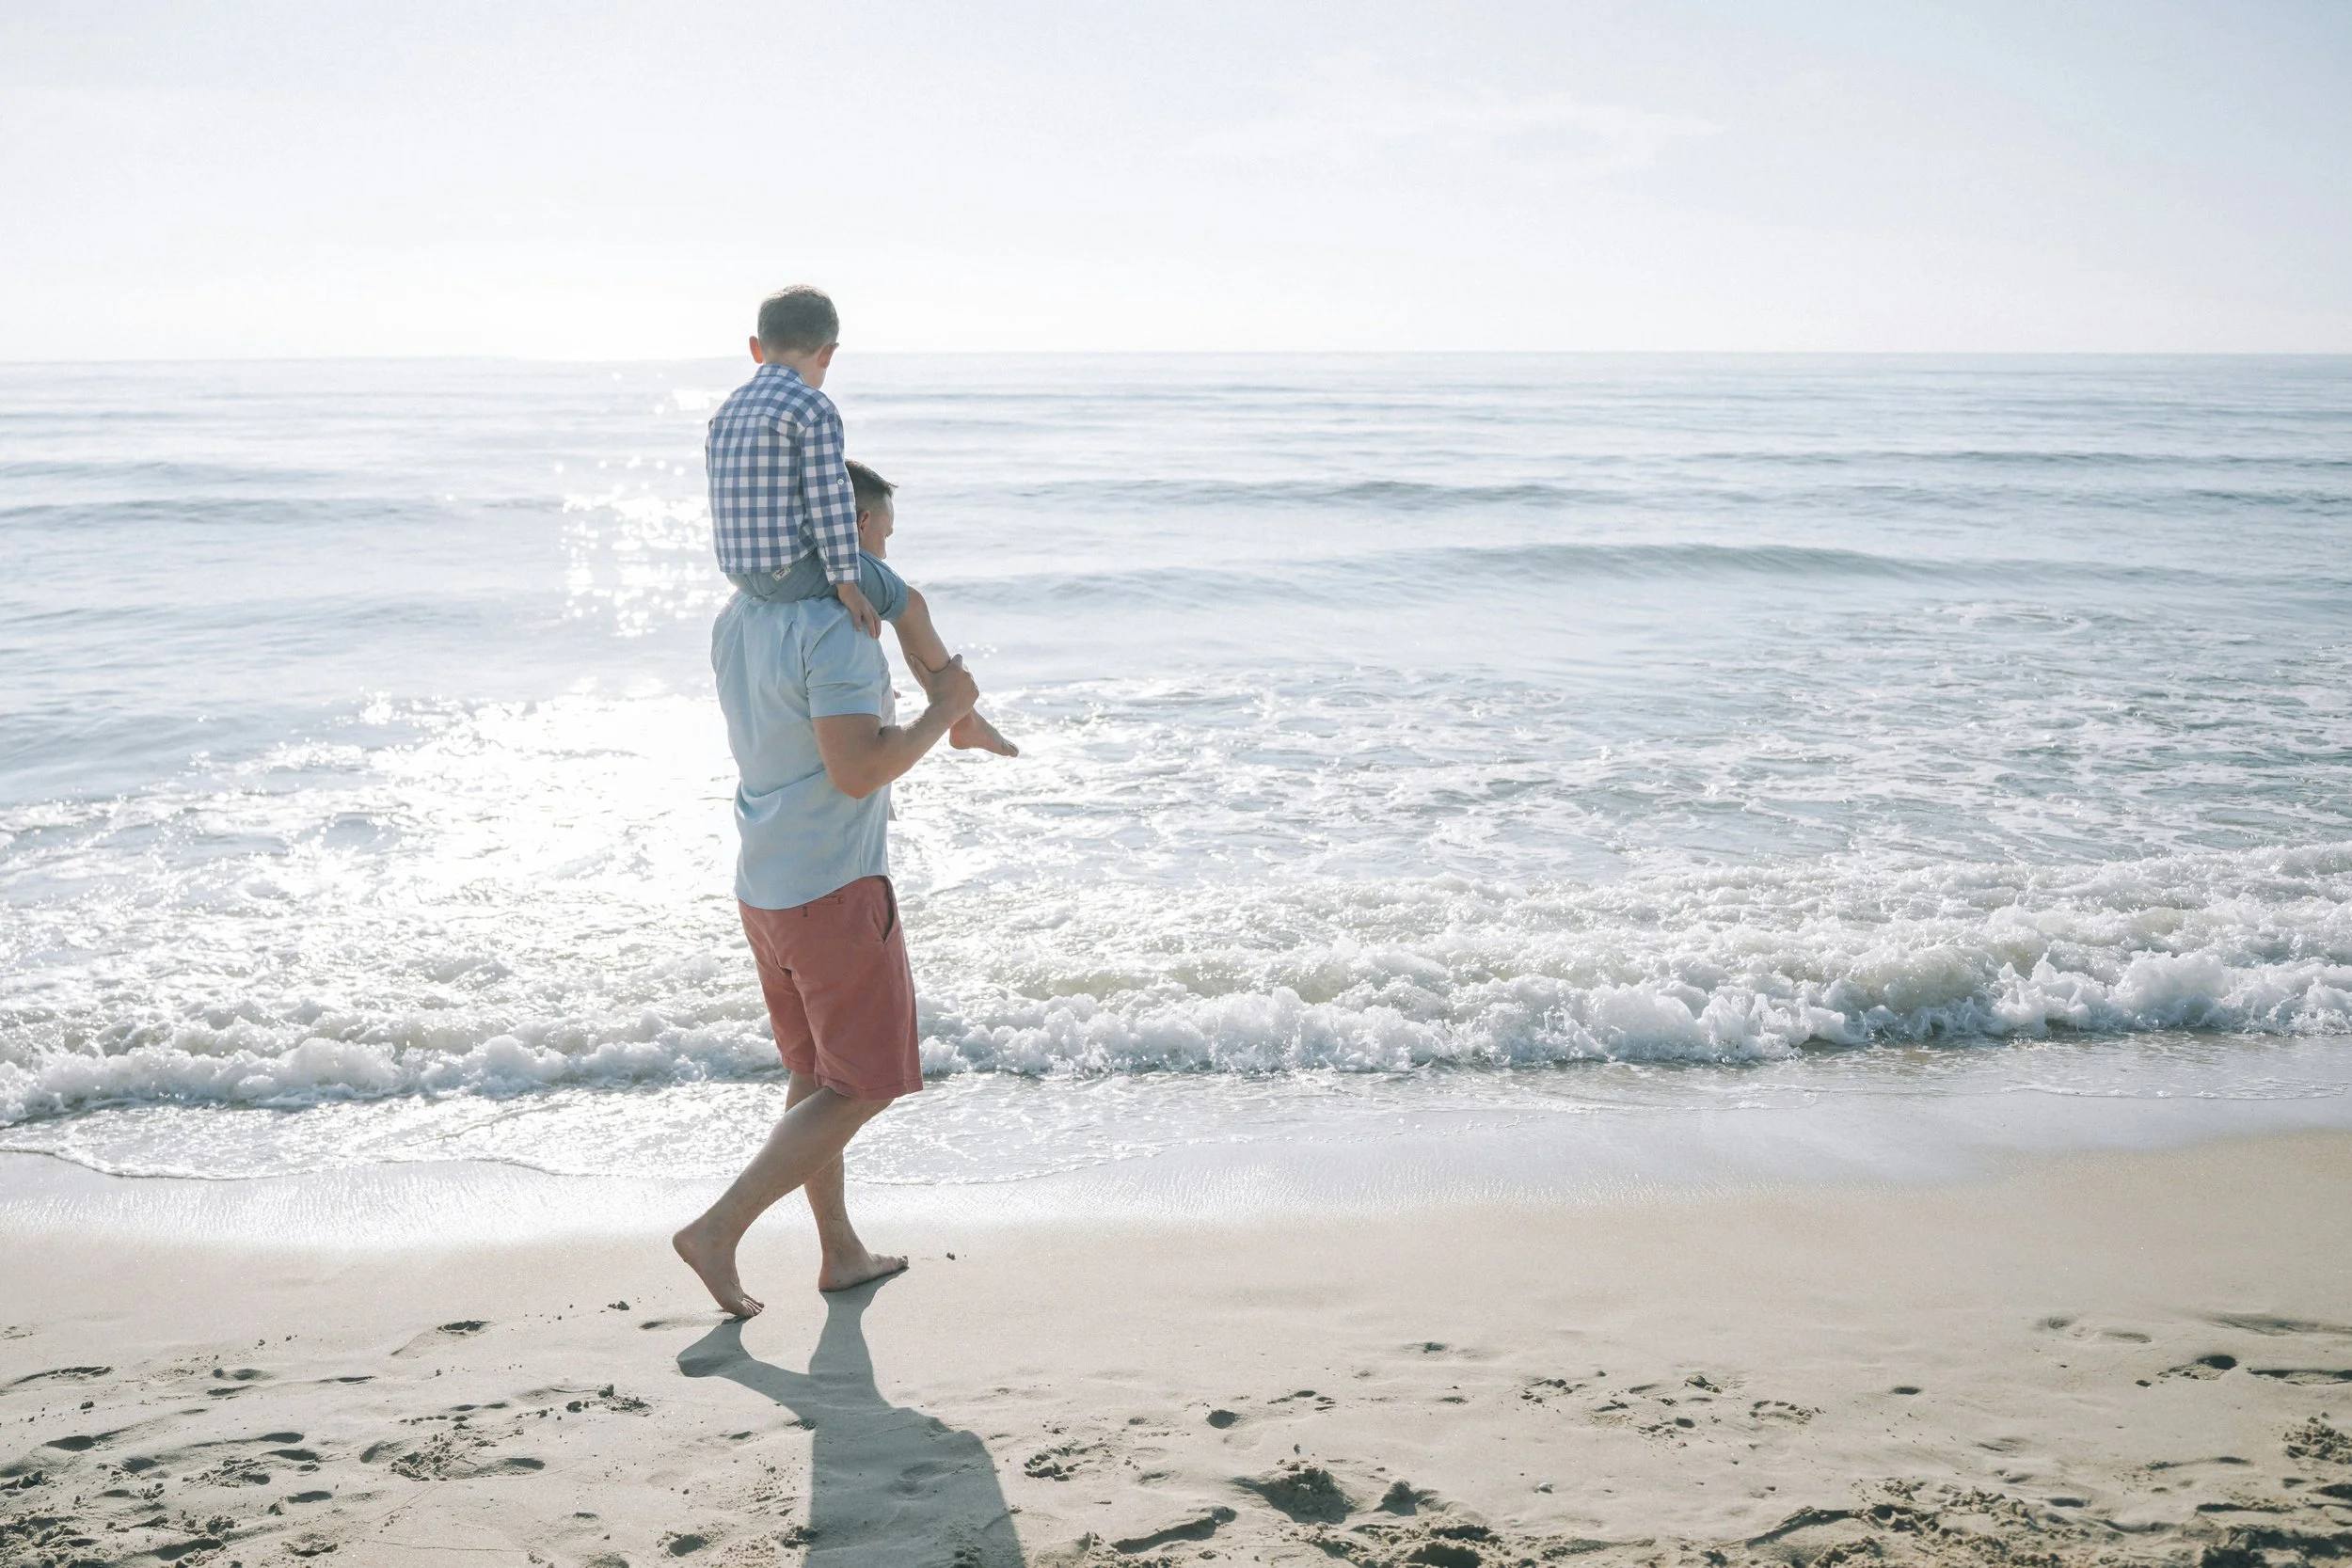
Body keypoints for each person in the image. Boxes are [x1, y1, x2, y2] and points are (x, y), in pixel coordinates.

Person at [673, 285, 986, 1319]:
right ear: (846, 531)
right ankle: (718, 1228)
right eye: (878, 541)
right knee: (864, 1082)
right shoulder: (834, 628)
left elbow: (904, 616)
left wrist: (950, 695)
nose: (884, 561)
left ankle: (839, 1248)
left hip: (765, 884)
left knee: (816, 1081)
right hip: (832, 884)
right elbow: (859, 769)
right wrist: (946, 708)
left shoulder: (737, 617)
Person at [705, 283, 1013, 756]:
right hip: (793, 572)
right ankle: (961, 717)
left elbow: (723, 491)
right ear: (827, 354)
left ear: (755, 349)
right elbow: (831, 500)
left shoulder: (726, 411)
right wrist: (847, 584)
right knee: (908, 605)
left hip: (741, 575)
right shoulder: (813, 408)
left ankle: (910, 703)